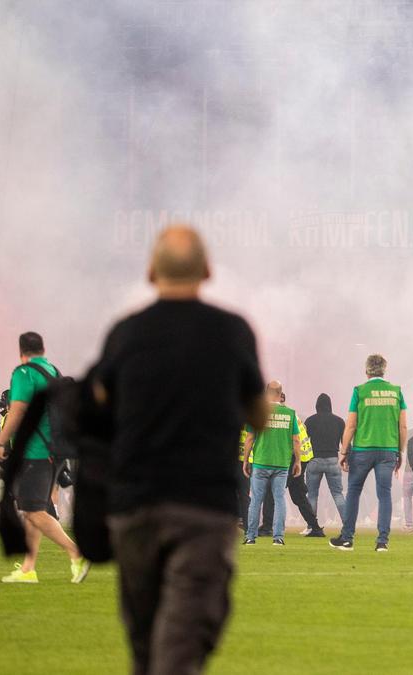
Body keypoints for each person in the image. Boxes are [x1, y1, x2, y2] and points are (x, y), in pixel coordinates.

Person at [91, 225, 266, 672]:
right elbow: (259, 416)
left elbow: (99, 409)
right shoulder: (232, 332)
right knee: (181, 646)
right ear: (207, 270)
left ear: (151, 271)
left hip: (134, 509)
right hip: (202, 506)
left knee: (145, 644)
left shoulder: (125, 334)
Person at [0, 332, 89, 583]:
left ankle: (76, 553)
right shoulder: (53, 371)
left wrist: (0, 444)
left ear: (21, 351)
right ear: (43, 349)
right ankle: (28, 569)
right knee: (33, 507)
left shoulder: (24, 373)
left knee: (32, 510)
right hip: (57, 451)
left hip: (37, 452)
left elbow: (18, 410)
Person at [330, 353, 407, 553]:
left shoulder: (360, 391)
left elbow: (351, 424)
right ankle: (382, 541)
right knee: (385, 494)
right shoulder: (396, 392)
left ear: (366, 371)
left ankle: (347, 538)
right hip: (388, 449)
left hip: (362, 450)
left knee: (354, 492)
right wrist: (400, 452)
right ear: (384, 370)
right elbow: (403, 427)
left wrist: (344, 451)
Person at [242, 381, 301, 546]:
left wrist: (246, 460)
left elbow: (249, 438)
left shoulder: (258, 411)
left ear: (267, 393)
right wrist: (298, 461)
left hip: (261, 462)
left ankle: (250, 537)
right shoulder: (290, 414)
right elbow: (296, 440)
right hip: (282, 464)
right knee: (279, 499)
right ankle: (278, 537)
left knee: (256, 500)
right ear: (280, 393)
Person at [281, 391, 322, 538]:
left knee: (276, 491)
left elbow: (294, 440)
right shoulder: (290, 414)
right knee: (297, 495)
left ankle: (272, 526)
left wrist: (296, 460)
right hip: (302, 456)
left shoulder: (284, 415)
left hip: (296, 457)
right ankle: (315, 527)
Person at [305, 393, 346, 530]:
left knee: (312, 495)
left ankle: (311, 526)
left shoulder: (310, 421)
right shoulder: (339, 421)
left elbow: (304, 442)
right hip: (333, 460)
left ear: (317, 405)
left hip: (314, 460)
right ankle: (347, 525)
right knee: (338, 494)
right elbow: (345, 443)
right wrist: (347, 459)